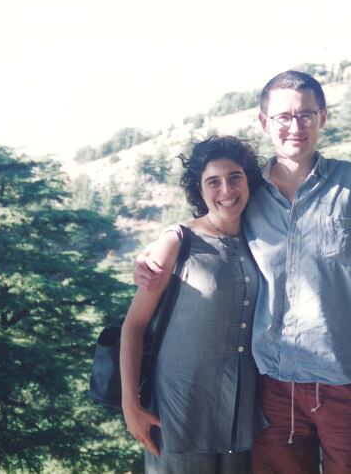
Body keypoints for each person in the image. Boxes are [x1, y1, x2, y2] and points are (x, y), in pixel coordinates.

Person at [135, 70, 351, 474]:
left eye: (305, 115)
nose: (294, 127)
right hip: (273, 389)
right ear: (265, 123)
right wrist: (157, 247)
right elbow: (211, 227)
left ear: (322, 118)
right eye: (282, 117)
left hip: (349, 379)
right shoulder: (249, 193)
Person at [120, 136, 264, 474]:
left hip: (240, 417)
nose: (226, 189)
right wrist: (131, 405)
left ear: (248, 181)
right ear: (199, 190)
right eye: (213, 181)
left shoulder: (260, 237)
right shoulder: (178, 241)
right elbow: (134, 325)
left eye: (234, 177)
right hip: (178, 415)